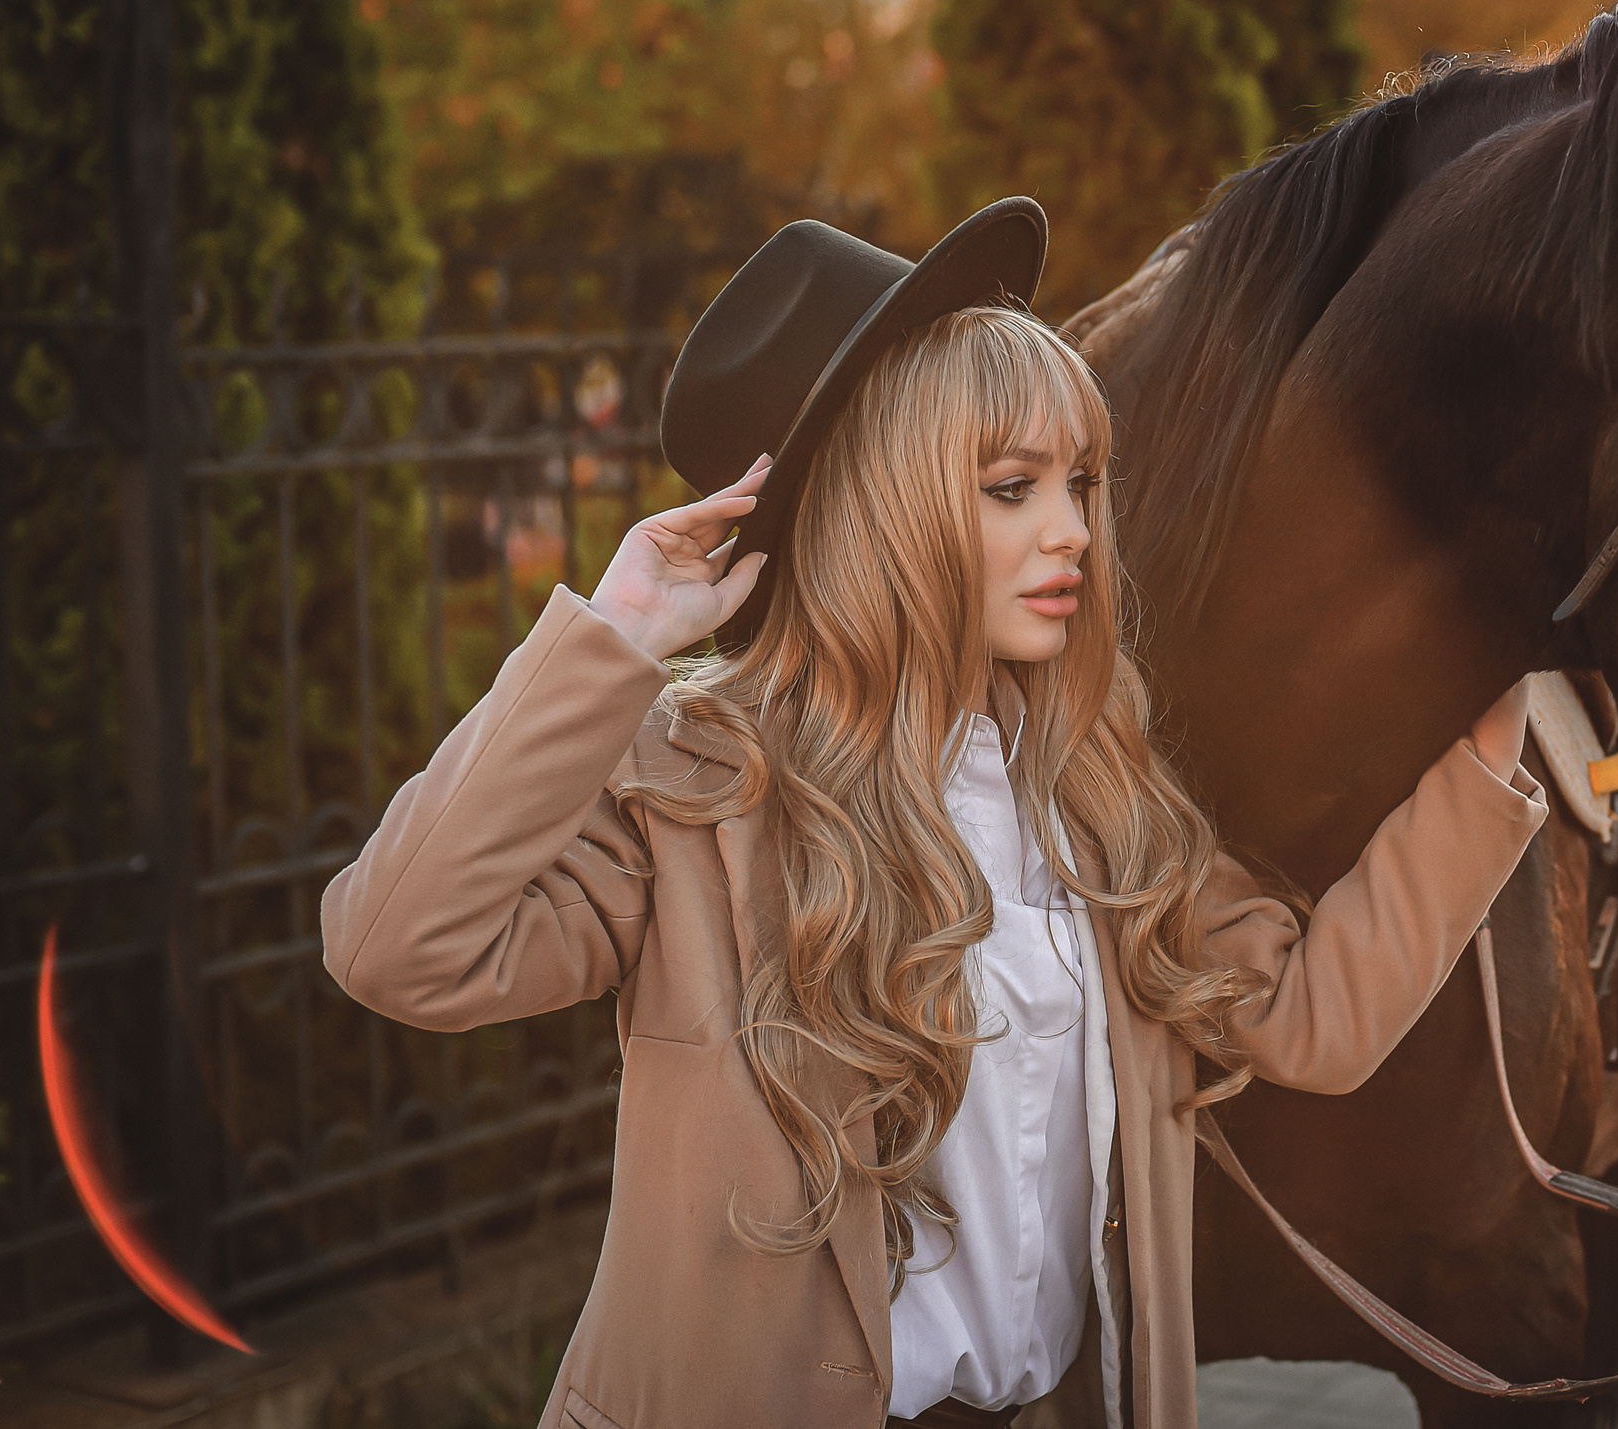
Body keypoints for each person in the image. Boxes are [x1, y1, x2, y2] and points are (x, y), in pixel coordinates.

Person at [320, 197, 1546, 1429]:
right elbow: (397, 948)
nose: (1072, 529)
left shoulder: (1091, 784)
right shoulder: (695, 785)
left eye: (1080, 481)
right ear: (883, 506)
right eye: (1012, 488)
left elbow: (1310, 1026)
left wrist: (1486, 740)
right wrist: (614, 639)